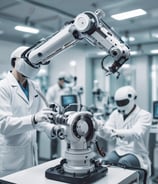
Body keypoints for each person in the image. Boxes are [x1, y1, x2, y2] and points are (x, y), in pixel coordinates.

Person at [0, 46, 55, 177]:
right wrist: (33, 119)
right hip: (11, 156)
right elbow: (3, 125)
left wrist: (52, 129)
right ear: (15, 61)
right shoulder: (3, 87)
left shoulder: (34, 86)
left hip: (30, 155)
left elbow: (40, 119)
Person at [97, 85, 152, 183]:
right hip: (119, 150)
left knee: (124, 163)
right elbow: (109, 136)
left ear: (133, 98)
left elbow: (136, 133)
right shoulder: (115, 114)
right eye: (119, 102)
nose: (121, 105)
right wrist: (100, 128)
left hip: (137, 152)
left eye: (123, 102)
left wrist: (115, 132)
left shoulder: (144, 115)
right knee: (107, 162)